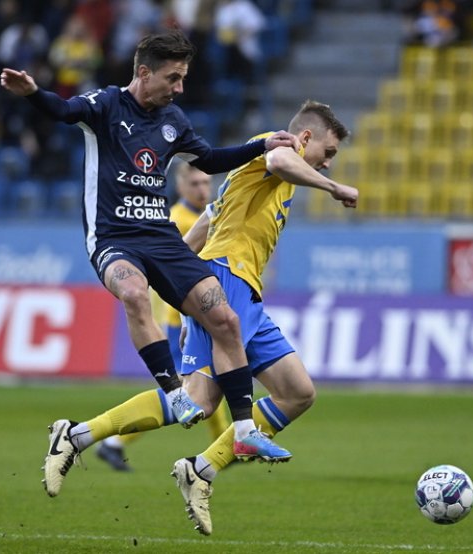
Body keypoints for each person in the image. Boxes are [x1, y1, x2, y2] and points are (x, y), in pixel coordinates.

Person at [30, 100, 357, 534]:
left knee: (297, 392)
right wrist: (332, 188)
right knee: (199, 401)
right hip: (225, 280)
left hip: (242, 290)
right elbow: (277, 156)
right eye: (328, 153)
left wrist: (178, 273)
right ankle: (77, 437)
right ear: (306, 138)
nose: (328, 163)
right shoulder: (274, 150)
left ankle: (200, 468)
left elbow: (208, 217)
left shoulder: (268, 178)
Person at [0, 29, 297, 497]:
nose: (179, 87)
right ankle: (174, 392)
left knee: (223, 316)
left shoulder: (173, 120)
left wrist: (259, 147)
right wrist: (34, 92)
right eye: (173, 77)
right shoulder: (104, 106)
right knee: (134, 293)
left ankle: (243, 430)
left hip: (161, 237)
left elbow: (212, 158)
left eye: (183, 78)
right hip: (114, 238)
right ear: (144, 72)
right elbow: (61, 111)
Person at [96, 161, 230, 471]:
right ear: (181, 187)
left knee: (206, 384)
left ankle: (226, 443)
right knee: (188, 391)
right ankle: (114, 440)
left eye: (206, 183)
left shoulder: (206, 217)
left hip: (199, 315)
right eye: (195, 183)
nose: (202, 189)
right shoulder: (175, 220)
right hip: (177, 318)